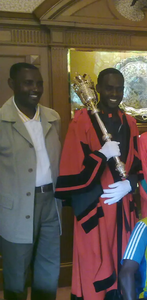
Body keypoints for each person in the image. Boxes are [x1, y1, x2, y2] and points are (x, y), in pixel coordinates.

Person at [55, 68, 141, 299]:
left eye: (119, 88)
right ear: (98, 89)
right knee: (96, 266)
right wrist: (101, 155)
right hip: (96, 208)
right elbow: (70, 173)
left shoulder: (129, 122)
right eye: (109, 88)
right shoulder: (82, 121)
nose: (115, 93)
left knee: (123, 262)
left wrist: (130, 184)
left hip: (123, 206)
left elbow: (138, 166)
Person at [0, 62, 62, 300]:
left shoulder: (52, 117)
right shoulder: (2, 120)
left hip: (51, 204)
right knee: (16, 274)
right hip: (15, 208)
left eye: (39, 83)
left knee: (48, 270)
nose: (35, 88)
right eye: (28, 83)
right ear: (12, 85)